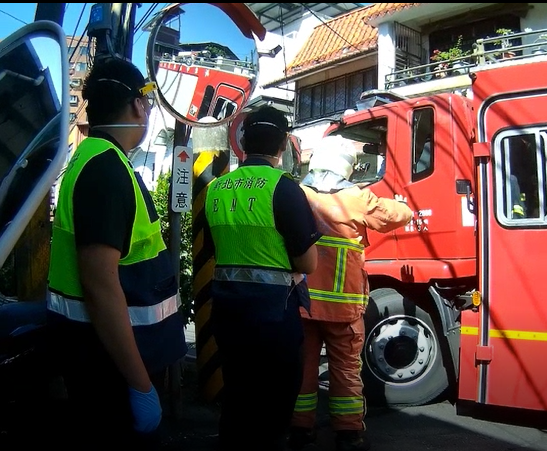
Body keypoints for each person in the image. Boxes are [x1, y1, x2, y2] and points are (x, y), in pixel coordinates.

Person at [46, 57, 188, 450]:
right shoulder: (105, 170)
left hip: (101, 359)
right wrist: (140, 385)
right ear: (136, 106)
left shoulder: (97, 159)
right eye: (146, 103)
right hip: (111, 369)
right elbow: (100, 285)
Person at [203, 106, 321, 450]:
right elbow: (308, 263)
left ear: (242, 141)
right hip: (274, 320)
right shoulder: (284, 189)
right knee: (272, 412)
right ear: (283, 144)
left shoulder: (216, 190)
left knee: (237, 400)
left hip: (226, 315)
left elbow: (214, 250)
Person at [289, 135, 413, 451]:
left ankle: (300, 430)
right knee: (345, 370)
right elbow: (395, 216)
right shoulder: (357, 198)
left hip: (302, 304)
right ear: (348, 167)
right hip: (343, 309)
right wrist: (404, 203)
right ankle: (348, 434)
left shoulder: (298, 195)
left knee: (302, 369)